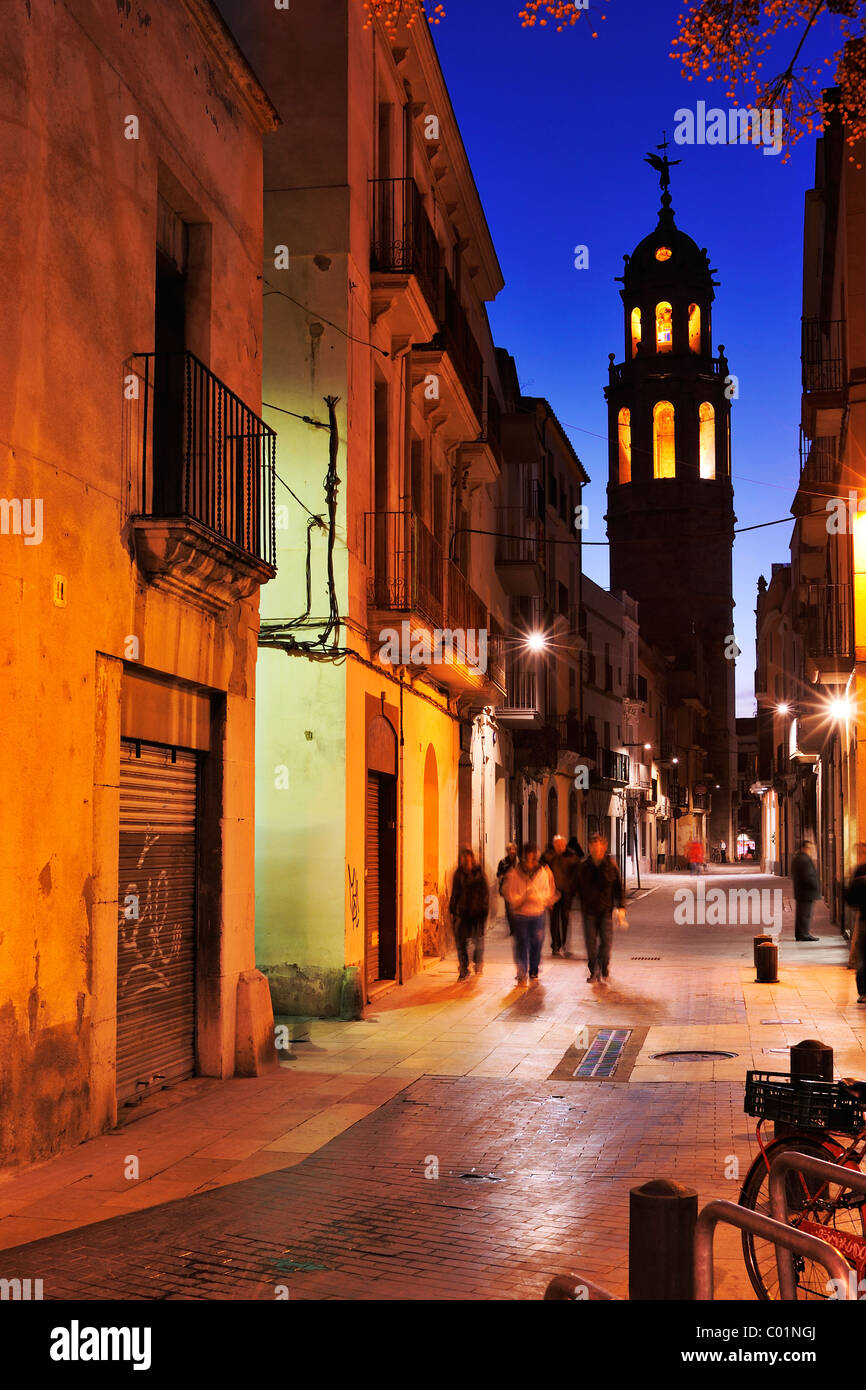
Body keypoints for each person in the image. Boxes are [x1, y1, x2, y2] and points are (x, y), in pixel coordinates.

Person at [502, 843, 556, 987]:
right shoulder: (515, 874)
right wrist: (522, 898)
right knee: (521, 943)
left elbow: (548, 892)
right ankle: (521, 970)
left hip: (537, 913)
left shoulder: (543, 873)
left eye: (534, 858)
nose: (531, 862)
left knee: (536, 943)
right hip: (521, 915)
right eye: (529, 859)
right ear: (524, 858)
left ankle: (534, 969)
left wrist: (537, 898)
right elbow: (510, 893)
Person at [578, 833, 624, 984]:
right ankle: (594, 971)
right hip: (588, 911)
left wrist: (621, 907)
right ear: (589, 848)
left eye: (600, 848)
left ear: (604, 848)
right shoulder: (583, 867)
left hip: (605, 911)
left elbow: (618, 887)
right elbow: (576, 887)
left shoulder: (611, 865)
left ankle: (604, 966)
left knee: (606, 942)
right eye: (594, 847)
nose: (597, 851)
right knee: (590, 944)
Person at [448, 848, 489, 980]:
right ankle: (464, 968)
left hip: (477, 913)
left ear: (472, 858)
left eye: (468, 858)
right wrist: (452, 909)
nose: (466, 861)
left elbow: (485, 893)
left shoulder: (479, 873)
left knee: (478, 940)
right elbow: (455, 893)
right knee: (461, 942)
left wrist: (484, 909)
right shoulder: (458, 874)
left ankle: (478, 961)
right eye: (463, 858)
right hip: (464, 912)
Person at [547, 834, 581, 957]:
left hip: (567, 893)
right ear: (554, 845)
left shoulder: (572, 856)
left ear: (565, 845)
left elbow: (577, 874)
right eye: (557, 844)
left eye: (561, 844)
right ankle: (555, 945)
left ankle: (565, 945)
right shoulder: (549, 856)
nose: (559, 846)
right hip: (553, 894)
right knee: (553, 920)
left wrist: (574, 889)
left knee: (565, 919)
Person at [843, 845, 866, 1004]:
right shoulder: (860, 871)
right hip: (864, 921)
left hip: (864, 921)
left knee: (864, 958)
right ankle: (864, 991)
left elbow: (850, 899)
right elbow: (851, 899)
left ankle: (864, 992)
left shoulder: (860, 871)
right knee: (864, 958)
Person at [790, 839, 821, 942]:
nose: (811, 850)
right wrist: (815, 887)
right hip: (806, 892)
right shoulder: (804, 859)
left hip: (801, 891)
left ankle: (800, 934)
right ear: (804, 848)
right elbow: (808, 877)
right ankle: (804, 934)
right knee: (805, 914)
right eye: (809, 848)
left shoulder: (798, 858)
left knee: (801, 914)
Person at [496, 842, 519, 935]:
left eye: (514, 850)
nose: (512, 852)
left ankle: (517, 927)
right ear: (507, 851)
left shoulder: (519, 862)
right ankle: (513, 929)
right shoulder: (503, 862)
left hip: (517, 888)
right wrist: (504, 875)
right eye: (510, 850)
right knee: (509, 910)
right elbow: (498, 874)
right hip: (507, 888)